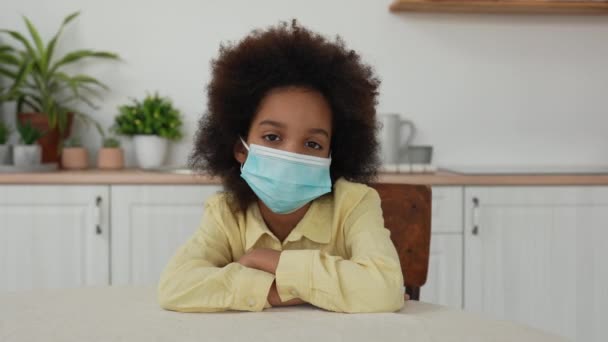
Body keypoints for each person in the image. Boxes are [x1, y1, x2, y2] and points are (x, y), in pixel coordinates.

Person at [157, 19, 406, 313]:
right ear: (240, 148)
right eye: (272, 137)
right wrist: (281, 292)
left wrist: (269, 260)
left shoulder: (355, 204)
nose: (291, 154)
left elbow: (385, 289)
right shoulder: (225, 213)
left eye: (313, 144)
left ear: (332, 155)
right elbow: (175, 286)